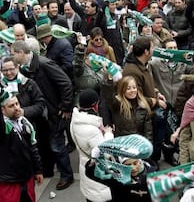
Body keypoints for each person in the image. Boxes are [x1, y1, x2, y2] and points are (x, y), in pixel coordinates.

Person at [12, 40, 75, 190]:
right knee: (47, 144)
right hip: (42, 113)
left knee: (57, 145)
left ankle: (67, 175)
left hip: (54, 112)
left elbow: (65, 83)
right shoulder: (25, 68)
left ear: (21, 53)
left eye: (13, 53)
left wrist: (65, 107)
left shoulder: (44, 64)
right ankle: (48, 169)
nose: (11, 56)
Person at [0, 88, 43, 202]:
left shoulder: (25, 124)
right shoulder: (4, 129)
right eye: (11, 106)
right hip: (9, 182)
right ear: (2, 110)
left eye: (17, 104)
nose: (16, 108)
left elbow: (33, 149)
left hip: (27, 178)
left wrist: (38, 171)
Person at [70, 89, 113, 202]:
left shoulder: (75, 121)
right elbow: (106, 153)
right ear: (94, 105)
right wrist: (108, 133)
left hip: (85, 166)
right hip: (99, 176)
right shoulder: (92, 131)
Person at [85, 134, 156, 202]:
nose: (133, 168)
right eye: (128, 165)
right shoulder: (115, 177)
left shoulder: (152, 173)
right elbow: (91, 173)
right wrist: (94, 159)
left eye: (135, 163)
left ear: (140, 161)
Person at [105, 76, 153, 140]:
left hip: (139, 144)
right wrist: (109, 80)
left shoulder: (143, 106)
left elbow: (148, 132)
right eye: (128, 88)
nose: (132, 90)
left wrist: (147, 146)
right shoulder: (118, 105)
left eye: (134, 87)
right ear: (123, 90)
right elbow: (108, 97)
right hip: (122, 143)